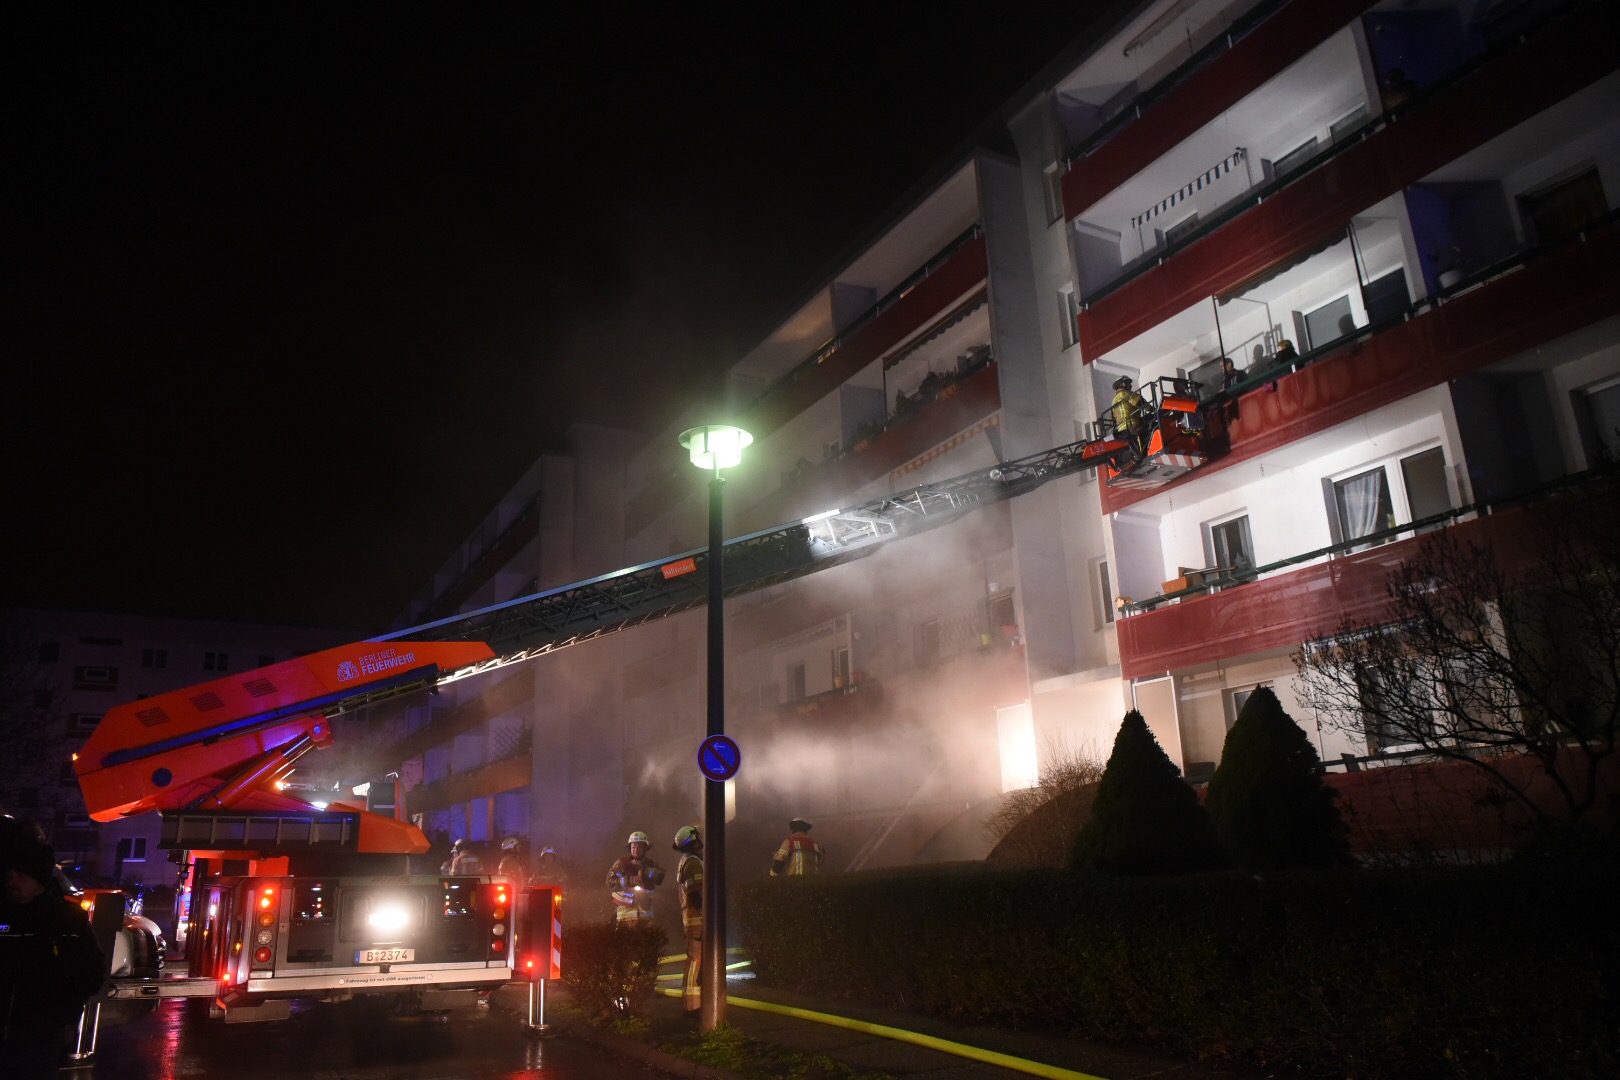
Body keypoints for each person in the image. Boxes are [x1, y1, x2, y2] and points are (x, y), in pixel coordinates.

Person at [2, 833, 107, 1079]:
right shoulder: (4, 914)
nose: (11, 881)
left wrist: (63, 1014)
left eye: (20, 875)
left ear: (38, 878)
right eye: (9, 874)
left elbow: (91, 973)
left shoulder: (67, 921)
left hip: (39, 1042)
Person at [671, 825, 703, 1014]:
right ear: (692, 840)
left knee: (696, 961)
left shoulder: (688, 861)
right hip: (697, 919)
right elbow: (695, 893)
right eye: (697, 836)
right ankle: (692, 1006)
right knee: (695, 961)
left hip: (693, 919)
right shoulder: (693, 862)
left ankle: (695, 1003)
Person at [605, 831, 664, 925]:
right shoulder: (621, 863)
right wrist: (629, 880)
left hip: (646, 917)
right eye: (633, 847)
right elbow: (609, 882)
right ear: (629, 848)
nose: (636, 850)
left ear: (644, 848)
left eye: (639, 847)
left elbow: (660, 878)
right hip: (625, 917)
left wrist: (644, 870)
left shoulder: (651, 864)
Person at [1109, 375, 1147, 455]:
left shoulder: (1113, 401)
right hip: (1132, 425)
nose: (1130, 385)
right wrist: (1152, 409)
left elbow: (1111, 417)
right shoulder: (1125, 393)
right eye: (1128, 383)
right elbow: (1140, 402)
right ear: (1122, 384)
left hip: (1122, 430)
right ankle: (1143, 450)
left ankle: (1136, 454)